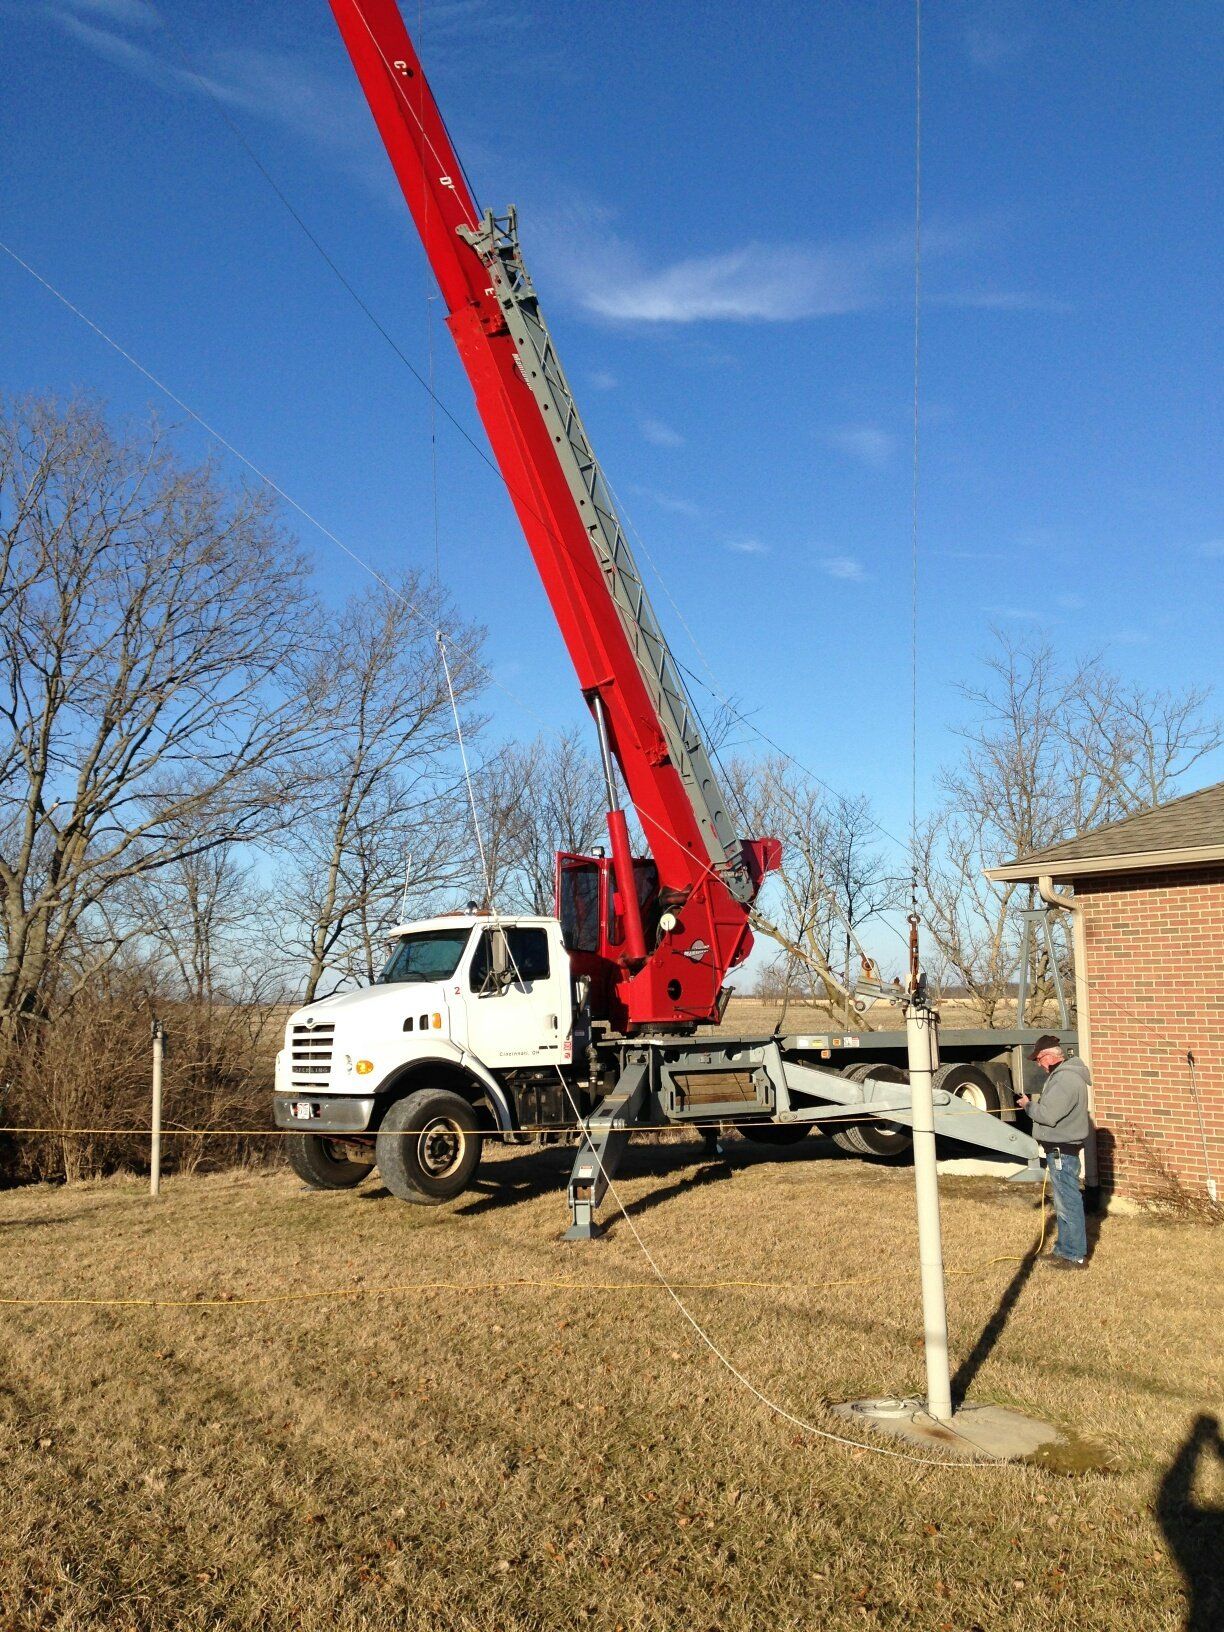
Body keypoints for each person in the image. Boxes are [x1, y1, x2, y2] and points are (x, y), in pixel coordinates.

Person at [1018, 1034, 1092, 1269]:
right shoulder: (1065, 1077)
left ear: (1049, 1056)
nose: (1039, 1065)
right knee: (1062, 1202)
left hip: (1062, 1151)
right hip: (1060, 1149)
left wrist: (1028, 1106)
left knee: (1068, 1202)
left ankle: (1075, 1255)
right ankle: (1064, 1250)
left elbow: (1048, 1115)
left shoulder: (1065, 1080)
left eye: (1038, 1059)